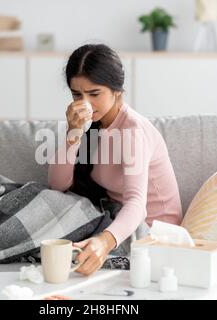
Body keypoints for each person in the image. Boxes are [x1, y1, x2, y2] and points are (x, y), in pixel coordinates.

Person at [48, 43, 182, 276]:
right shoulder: (93, 126)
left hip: (152, 232)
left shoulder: (132, 130)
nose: (85, 103)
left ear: (117, 90)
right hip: (115, 216)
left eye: (94, 93)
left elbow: (137, 204)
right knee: (46, 202)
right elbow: (58, 185)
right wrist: (73, 135)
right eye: (76, 94)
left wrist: (104, 241)